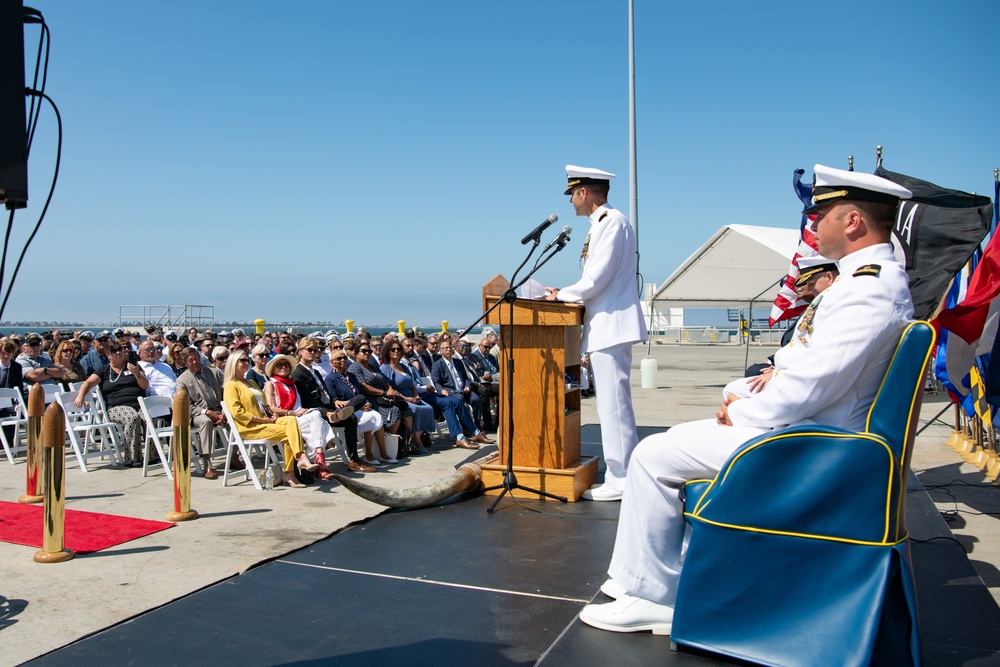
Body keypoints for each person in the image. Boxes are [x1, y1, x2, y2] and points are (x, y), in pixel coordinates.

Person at [578, 164, 915, 636]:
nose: (813, 225)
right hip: (805, 427)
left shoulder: (867, 291)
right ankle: (650, 575)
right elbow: (800, 367)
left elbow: (808, 388)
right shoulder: (865, 282)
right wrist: (738, 394)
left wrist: (739, 412)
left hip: (813, 443)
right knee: (672, 440)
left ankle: (654, 595)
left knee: (651, 455)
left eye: (822, 215)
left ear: (854, 221)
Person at [544, 165, 648, 501]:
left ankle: (621, 477)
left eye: (572, 194)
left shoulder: (612, 223)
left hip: (611, 325)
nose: (571, 201)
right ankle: (622, 473)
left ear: (584, 192)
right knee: (610, 404)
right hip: (606, 325)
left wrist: (561, 295)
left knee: (613, 405)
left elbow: (597, 278)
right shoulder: (604, 224)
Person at [730, 255, 839, 400]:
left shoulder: (831, 308)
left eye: (811, 283)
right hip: (795, 373)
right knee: (738, 386)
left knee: (734, 391)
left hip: (808, 383)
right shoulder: (817, 307)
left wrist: (779, 372)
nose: (809, 289)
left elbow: (819, 355)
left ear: (830, 277)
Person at [222, 349, 317, 488]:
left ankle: (300, 458)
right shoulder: (231, 386)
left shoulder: (251, 383)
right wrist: (262, 420)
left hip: (264, 420)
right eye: (242, 360)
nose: (246, 362)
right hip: (250, 426)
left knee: (291, 420)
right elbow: (237, 413)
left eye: (246, 360)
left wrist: (269, 414)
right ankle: (291, 471)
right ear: (233, 363)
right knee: (288, 434)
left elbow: (263, 404)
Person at [263, 353, 342, 482]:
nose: (284, 367)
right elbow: (271, 407)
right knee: (320, 425)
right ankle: (319, 460)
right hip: (284, 419)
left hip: (296, 417)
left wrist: (300, 412)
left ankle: (318, 457)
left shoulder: (292, 384)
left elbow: (298, 405)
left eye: (286, 365)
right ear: (273, 369)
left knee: (316, 417)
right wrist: (292, 413)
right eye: (279, 365)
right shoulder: (271, 384)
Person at [74, 341, 149, 466]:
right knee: (132, 417)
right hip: (116, 407)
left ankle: (152, 456)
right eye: (114, 351)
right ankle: (132, 457)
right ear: (108, 355)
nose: (118, 352)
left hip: (138, 403)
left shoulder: (133, 366)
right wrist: (81, 396)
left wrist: (136, 373)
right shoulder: (104, 370)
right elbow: (87, 383)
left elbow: (144, 385)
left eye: (120, 349)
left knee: (148, 416)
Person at [430, 340, 495, 448]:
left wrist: (467, 386)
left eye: (449, 347)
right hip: (451, 391)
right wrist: (442, 390)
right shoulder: (437, 365)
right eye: (445, 348)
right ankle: (468, 430)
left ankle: (477, 428)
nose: (448, 350)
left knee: (476, 400)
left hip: (463, 389)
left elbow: (466, 378)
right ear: (440, 351)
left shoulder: (458, 362)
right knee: (459, 399)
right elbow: (436, 381)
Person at [175, 348, 225, 479]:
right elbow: (185, 406)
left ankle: (235, 455)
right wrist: (207, 412)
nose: (195, 362)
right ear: (185, 363)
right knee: (206, 421)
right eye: (191, 360)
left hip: (219, 409)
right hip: (198, 414)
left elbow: (226, 394)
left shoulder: (214, 373)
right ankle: (207, 463)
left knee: (235, 416)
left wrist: (224, 411)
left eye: (196, 358)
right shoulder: (182, 380)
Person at [380, 339, 434, 455]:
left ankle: (414, 440)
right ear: (387, 351)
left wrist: (416, 396)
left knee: (428, 408)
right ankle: (417, 442)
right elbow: (390, 389)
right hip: (400, 399)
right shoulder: (386, 368)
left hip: (412, 396)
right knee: (414, 410)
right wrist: (407, 399)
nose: (396, 351)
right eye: (393, 349)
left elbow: (412, 384)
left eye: (398, 349)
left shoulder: (403, 366)